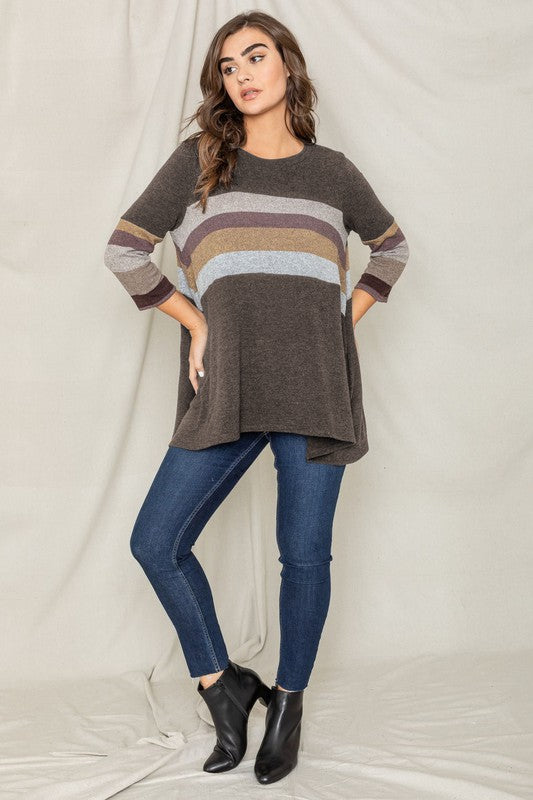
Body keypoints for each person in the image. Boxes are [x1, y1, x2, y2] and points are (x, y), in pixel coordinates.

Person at [103, 9, 409, 786]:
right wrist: (196, 321)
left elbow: (391, 247)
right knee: (156, 542)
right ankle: (223, 684)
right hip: (227, 385)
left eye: (256, 56)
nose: (242, 74)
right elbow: (125, 249)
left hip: (314, 386)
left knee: (303, 556)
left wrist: (340, 321)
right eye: (228, 65)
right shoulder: (201, 161)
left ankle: (289, 706)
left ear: (288, 66)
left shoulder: (333, 173)